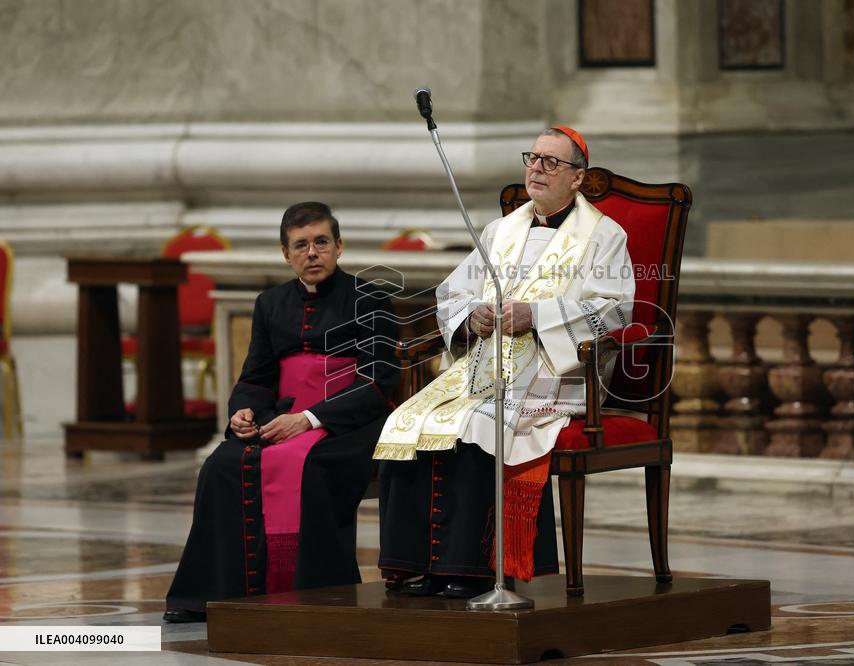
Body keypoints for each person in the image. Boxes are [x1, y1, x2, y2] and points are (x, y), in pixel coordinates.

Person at [374, 127, 635, 598]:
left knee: (480, 422)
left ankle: (471, 569)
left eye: (550, 162)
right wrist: (472, 316)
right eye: (532, 158)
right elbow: (452, 292)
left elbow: (616, 311)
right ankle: (414, 566)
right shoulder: (502, 229)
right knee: (404, 422)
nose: (536, 168)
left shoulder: (603, 235)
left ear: (578, 178)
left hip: (558, 371)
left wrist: (534, 315)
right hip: (484, 364)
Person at [164, 202, 398, 622]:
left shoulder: (370, 298)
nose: (313, 253)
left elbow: (379, 384)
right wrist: (244, 413)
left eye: (322, 242)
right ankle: (213, 596)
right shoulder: (270, 303)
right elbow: (255, 378)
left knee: (310, 466)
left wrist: (310, 419)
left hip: (349, 422)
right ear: (286, 254)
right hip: (282, 416)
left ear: (339, 247)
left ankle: (321, 597)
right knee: (220, 465)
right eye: (301, 245)